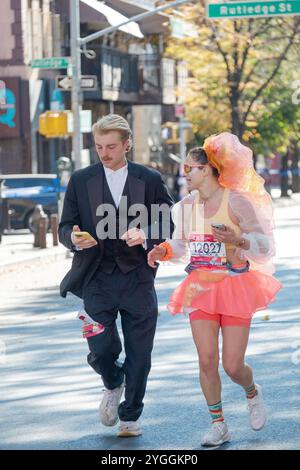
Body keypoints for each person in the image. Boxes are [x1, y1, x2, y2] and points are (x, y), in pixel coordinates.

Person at [148, 132, 282, 447]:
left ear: (208, 169)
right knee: (207, 360)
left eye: (191, 169)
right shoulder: (182, 208)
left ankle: (251, 391)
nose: (186, 175)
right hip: (199, 287)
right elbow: (182, 245)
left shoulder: (236, 201)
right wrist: (163, 251)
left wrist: (239, 241)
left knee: (232, 365)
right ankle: (219, 424)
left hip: (235, 285)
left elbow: (266, 247)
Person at [59, 114, 174, 437]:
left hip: (138, 276)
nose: (104, 153)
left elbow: (168, 222)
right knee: (100, 346)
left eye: (111, 146)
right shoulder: (81, 180)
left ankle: (130, 415)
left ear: (127, 144)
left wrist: (147, 234)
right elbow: (65, 225)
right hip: (96, 277)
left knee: (140, 351)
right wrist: (73, 237)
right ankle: (112, 381)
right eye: (98, 147)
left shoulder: (149, 179)